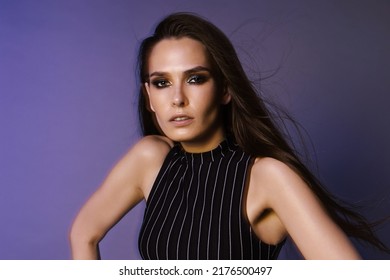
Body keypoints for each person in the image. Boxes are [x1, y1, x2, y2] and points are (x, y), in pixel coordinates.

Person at [69, 12, 388, 260]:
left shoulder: (267, 176)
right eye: (162, 83)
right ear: (149, 96)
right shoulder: (150, 158)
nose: (177, 98)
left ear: (224, 89)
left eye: (195, 78)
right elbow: (84, 233)